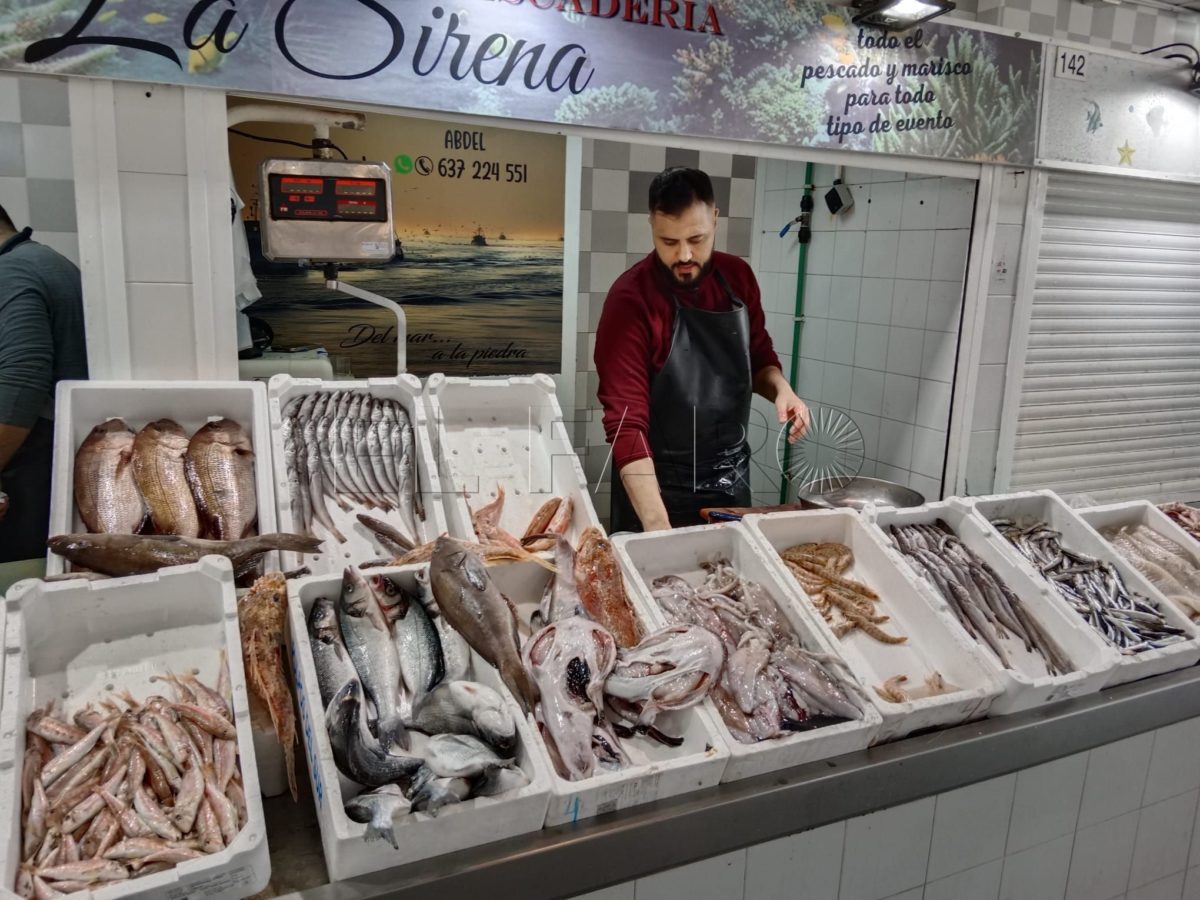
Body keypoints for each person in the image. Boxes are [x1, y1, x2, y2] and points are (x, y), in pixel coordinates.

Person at [594, 167, 810, 533]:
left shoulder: (738, 277)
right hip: (656, 491)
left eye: (697, 238)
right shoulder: (629, 300)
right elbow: (626, 423)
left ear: (715, 218)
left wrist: (781, 389)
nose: (684, 255)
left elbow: (759, 358)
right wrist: (658, 530)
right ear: (651, 225)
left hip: (730, 483)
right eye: (668, 241)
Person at [0, 203, 88, 562]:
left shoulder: (12, 271)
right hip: (54, 457)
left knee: (24, 577)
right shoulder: (46, 260)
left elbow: (23, 378)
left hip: (33, 468)